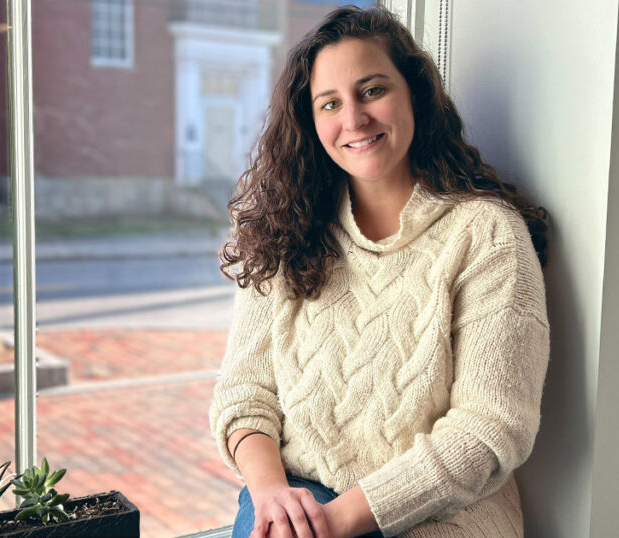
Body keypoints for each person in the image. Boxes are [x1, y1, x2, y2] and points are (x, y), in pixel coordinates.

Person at [209, 5, 550, 538]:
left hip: (442, 514)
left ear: (414, 93)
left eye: (372, 91)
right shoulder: (286, 229)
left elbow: (488, 431)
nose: (354, 119)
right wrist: (272, 493)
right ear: (310, 119)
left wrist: (334, 522)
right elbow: (244, 394)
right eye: (330, 103)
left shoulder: (486, 234)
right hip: (298, 498)